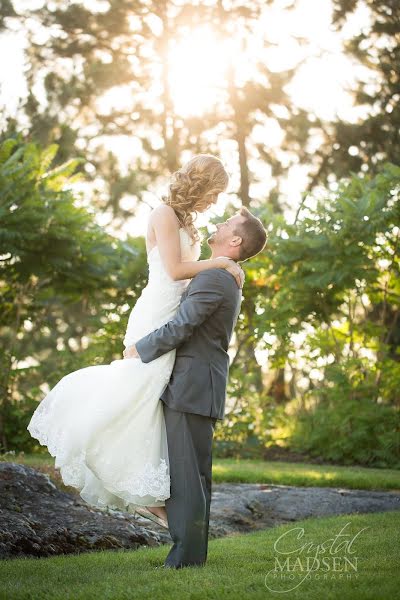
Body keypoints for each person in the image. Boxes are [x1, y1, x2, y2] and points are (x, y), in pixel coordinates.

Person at [27, 154, 244, 521]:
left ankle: (144, 491)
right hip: (154, 314)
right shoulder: (162, 214)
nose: (214, 202)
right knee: (133, 395)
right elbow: (175, 270)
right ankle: (129, 483)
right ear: (200, 183)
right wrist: (220, 262)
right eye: (214, 193)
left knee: (149, 406)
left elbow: (188, 278)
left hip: (172, 314)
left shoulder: (187, 223)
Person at [124, 206, 267, 568]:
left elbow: (182, 327)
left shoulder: (216, 278)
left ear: (234, 240)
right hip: (196, 384)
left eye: (227, 223)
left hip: (193, 385)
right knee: (192, 474)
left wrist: (138, 350)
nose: (218, 223)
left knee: (188, 476)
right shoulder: (219, 274)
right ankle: (190, 554)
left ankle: (186, 560)